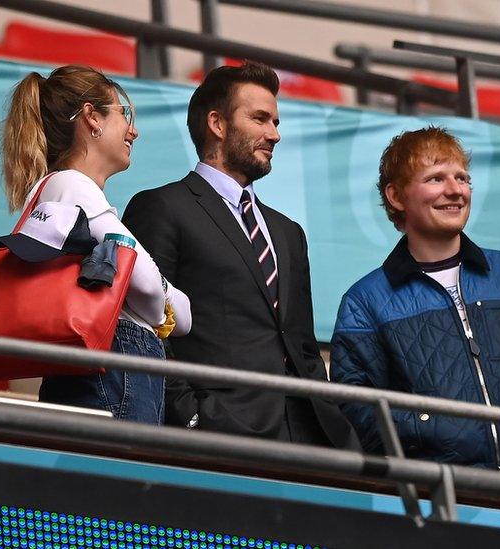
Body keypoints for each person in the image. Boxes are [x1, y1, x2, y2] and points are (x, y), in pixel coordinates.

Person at [122, 62, 358, 449]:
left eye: (276, 121)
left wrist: (333, 427)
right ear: (217, 123)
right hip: (217, 440)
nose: (275, 134)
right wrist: (194, 418)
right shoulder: (162, 207)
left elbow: (302, 348)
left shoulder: (288, 232)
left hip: (307, 442)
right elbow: (145, 331)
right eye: (260, 119)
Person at [331, 127, 500, 472]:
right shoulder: (365, 302)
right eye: (436, 179)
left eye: (462, 178)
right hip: (436, 496)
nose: (455, 190)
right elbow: (356, 410)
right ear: (395, 196)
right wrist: (429, 431)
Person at [0, 65, 192, 424]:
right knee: (119, 476)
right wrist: (166, 307)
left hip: (101, 371)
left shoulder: (55, 189)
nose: (133, 130)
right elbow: (147, 281)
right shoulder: (72, 185)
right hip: (115, 369)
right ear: (92, 118)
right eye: (124, 114)